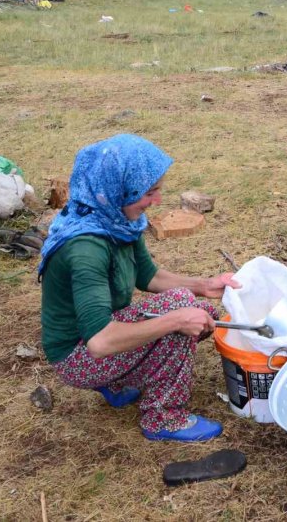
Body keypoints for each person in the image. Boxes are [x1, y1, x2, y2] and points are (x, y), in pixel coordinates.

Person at [38, 134, 240, 442]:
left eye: (158, 190)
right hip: (76, 355)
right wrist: (176, 320)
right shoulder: (86, 248)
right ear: (119, 189)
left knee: (192, 307)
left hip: (99, 332)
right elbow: (100, 342)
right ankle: (163, 418)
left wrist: (203, 285)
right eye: (149, 192)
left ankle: (117, 383)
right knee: (182, 318)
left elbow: (148, 275)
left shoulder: (115, 219)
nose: (157, 200)